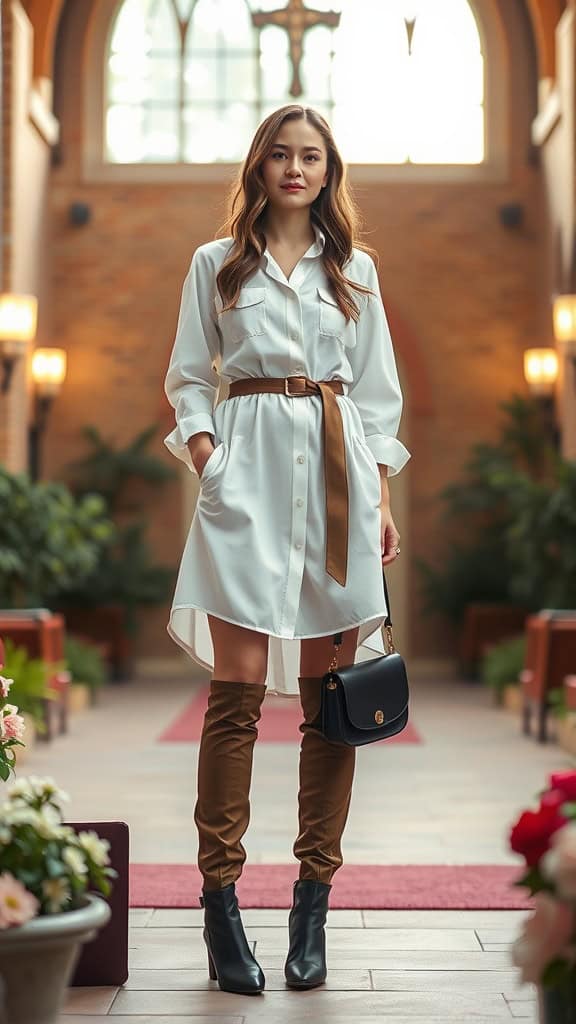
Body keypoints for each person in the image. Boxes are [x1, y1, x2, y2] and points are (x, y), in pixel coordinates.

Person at [163, 103, 410, 997]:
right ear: (259, 167)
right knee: (233, 698)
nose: (296, 169)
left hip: (337, 487)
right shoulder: (215, 266)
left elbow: (377, 400)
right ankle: (221, 905)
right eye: (281, 155)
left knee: (326, 702)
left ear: (328, 170)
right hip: (245, 483)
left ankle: (313, 904)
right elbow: (190, 377)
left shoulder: (358, 272)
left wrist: (377, 498)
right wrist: (210, 460)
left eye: (311, 156)